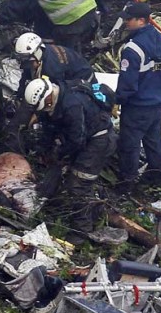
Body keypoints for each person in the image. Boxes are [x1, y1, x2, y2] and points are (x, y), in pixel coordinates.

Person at [24, 77, 115, 236]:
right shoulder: (51, 104)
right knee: (73, 176)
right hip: (85, 138)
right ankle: (95, 207)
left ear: (48, 97)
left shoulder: (72, 105)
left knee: (78, 184)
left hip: (98, 140)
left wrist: (60, 153)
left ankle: (81, 232)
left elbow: (76, 140)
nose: (44, 110)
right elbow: (49, 129)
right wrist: (44, 149)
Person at [116, 2, 161, 191]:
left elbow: (128, 84)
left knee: (129, 144)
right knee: (153, 139)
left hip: (138, 105)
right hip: (158, 101)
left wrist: (117, 102)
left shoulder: (133, 49)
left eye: (129, 19)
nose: (126, 22)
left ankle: (127, 183)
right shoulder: (160, 39)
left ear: (141, 21)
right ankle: (157, 175)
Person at [5, 32, 94, 151]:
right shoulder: (34, 60)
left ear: (37, 53)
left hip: (81, 83)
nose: (25, 64)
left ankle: (61, 145)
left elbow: (51, 100)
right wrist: (19, 96)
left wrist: (36, 116)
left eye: (27, 61)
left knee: (62, 116)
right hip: (65, 81)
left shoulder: (52, 70)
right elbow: (26, 78)